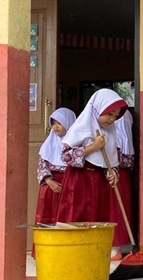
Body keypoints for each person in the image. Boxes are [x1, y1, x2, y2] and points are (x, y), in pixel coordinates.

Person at [56, 88, 129, 259]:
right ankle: (73, 253)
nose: (112, 119)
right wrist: (93, 147)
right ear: (97, 109)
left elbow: (111, 161)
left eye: (115, 116)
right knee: (78, 215)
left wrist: (113, 174)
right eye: (109, 114)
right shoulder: (80, 129)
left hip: (98, 182)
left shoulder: (110, 133)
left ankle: (94, 254)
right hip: (79, 181)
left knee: (97, 216)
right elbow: (66, 156)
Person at [35, 107, 76, 226]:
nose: (55, 127)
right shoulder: (48, 144)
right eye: (53, 123)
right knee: (48, 216)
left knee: (66, 217)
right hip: (51, 185)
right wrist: (49, 181)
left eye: (59, 123)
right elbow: (42, 165)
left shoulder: (75, 143)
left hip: (69, 184)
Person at [111, 109, 135, 260]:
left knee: (116, 212)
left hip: (116, 178)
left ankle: (115, 248)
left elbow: (126, 162)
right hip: (113, 177)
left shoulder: (119, 140)